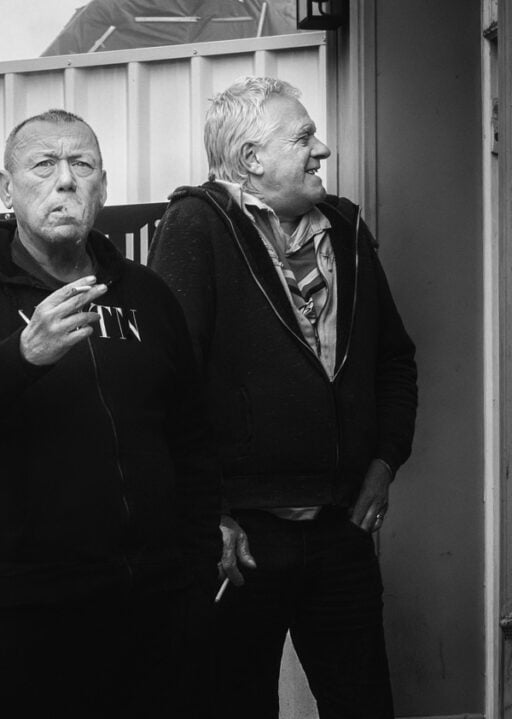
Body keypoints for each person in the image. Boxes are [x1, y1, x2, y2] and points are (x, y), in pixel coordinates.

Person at [0, 108, 220, 718]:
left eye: (82, 165)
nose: (65, 180)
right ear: (6, 190)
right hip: (22, 617)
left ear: (103, 187)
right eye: (44, 165)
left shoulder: (147, 296)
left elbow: (192, 442)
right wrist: (20, 356)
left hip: (153, 607)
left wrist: (193, 574)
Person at [147, 76, 418, 718]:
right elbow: (164, 385)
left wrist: (384, 463)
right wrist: (206, 513)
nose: (321, 149)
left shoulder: (346, 231)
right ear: (251, 159)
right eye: (303, 137)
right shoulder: (196, 226)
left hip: (342, 528)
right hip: (241, 541)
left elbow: (394, 360)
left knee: (364, 706)